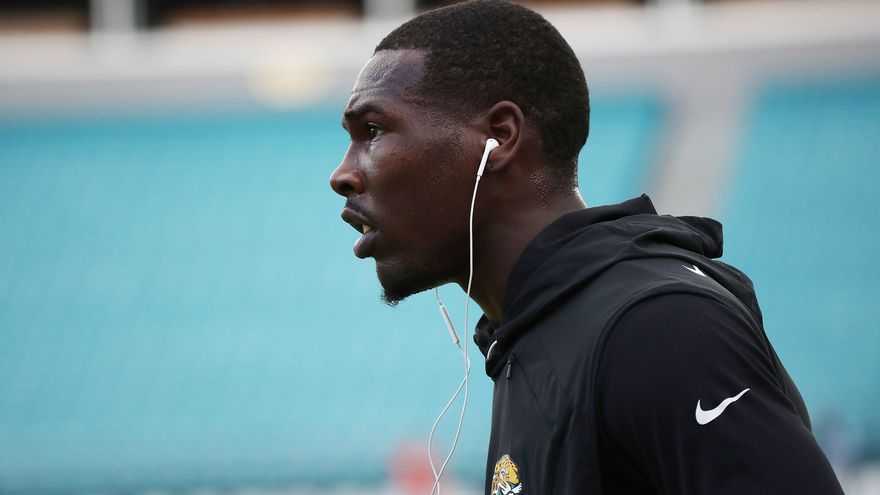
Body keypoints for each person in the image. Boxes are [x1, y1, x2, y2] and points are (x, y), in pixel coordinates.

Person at [329, 1, 844, 493]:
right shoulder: (533, 336)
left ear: (500, 137)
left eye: (372, 130)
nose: (342, 174)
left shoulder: (657, 327)